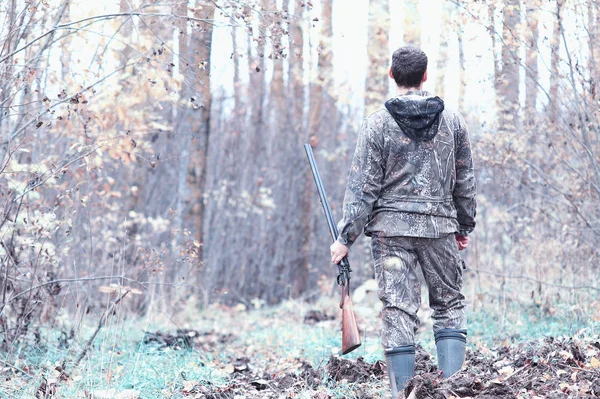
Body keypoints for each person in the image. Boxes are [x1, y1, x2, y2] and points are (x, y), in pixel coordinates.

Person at [330, 45, 477, 398]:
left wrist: (345, 237)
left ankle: (401, 394)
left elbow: (363, 188)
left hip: (390, 234)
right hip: (440, 228)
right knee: (450, 304)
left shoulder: (376, 123)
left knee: (398, 310)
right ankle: (451, 389)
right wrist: (463, 226)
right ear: (425, 76)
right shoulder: (453, 121)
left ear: (392, 75)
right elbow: (465, 179)